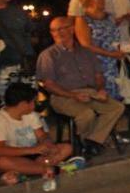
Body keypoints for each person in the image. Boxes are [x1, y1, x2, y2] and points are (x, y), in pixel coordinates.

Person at [36, 16, 125, 157]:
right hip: (63, 96)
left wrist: (101, 89)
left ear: (71, 29)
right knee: (86, 114)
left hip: (90, 92)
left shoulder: (86, 51)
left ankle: (91, 141)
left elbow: (99, 75)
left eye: (60, 29)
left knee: (116, 107)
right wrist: (73, 95)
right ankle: (89, 143)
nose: (56, 33)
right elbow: (48, 84)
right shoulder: (48, 55)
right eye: (53, 30)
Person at [0, 83, 73, 183]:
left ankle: (27, 171)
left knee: (66, 148)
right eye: (32, 102)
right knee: (2, 162)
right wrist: (32, 150)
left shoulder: (31, 115)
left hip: (33, 157)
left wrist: (48, 144)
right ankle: (52, 169)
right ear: (23, 104)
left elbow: (42, 135)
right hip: (13, 158)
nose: (35, 104)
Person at [74, 0, 127, 101]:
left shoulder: (110, 17)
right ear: (87, 0)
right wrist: (109, 54)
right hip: (96, 65)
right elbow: (86, 44)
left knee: (116, 99)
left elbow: (115, 38)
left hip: (113, 64)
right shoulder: (83, 19)